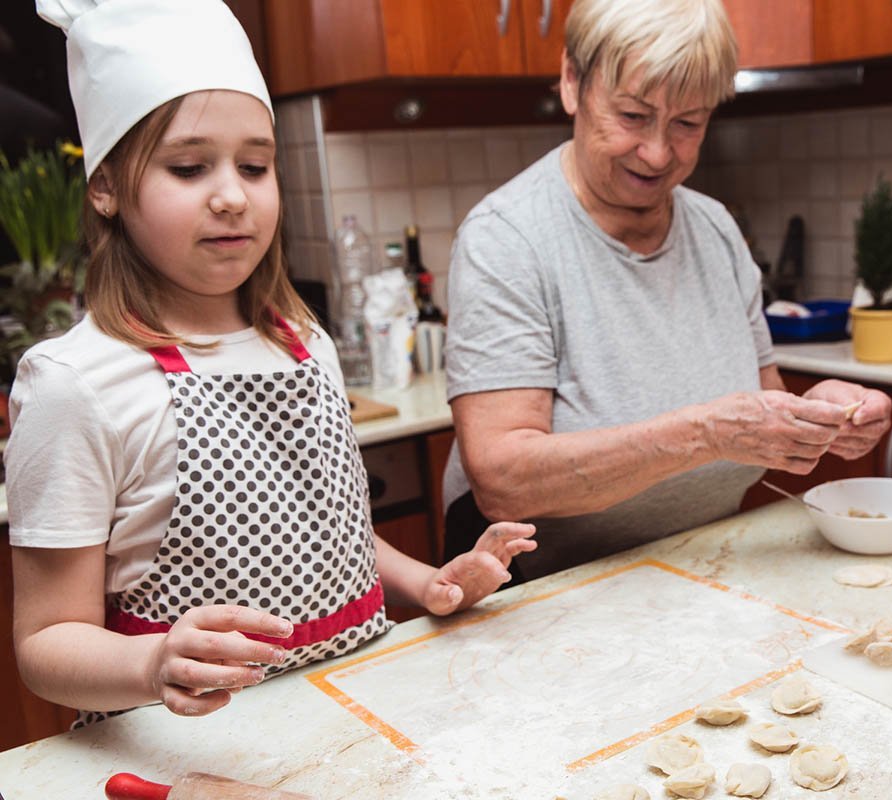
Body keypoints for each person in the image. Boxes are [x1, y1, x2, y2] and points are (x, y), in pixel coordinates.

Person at [8, 0, 535, 726]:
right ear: (104, 186)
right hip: (194, 746)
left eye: (255, 165)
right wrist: (152, 662)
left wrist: (431, 582)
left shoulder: (302, 341)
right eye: (189, 168)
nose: (231, 196)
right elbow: (45, 643)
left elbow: (334, 536)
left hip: (362, 716)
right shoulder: (76, 385)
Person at [442, 0, 891, 581]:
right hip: (544, 593)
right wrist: (701, 434)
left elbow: (760, 403)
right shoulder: (506, 239)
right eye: (632, 115)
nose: (658, 153)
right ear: (573, 83)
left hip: (692, 569)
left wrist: (820, 416)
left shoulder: (715, 229)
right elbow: (504, 481)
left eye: (688, 123)